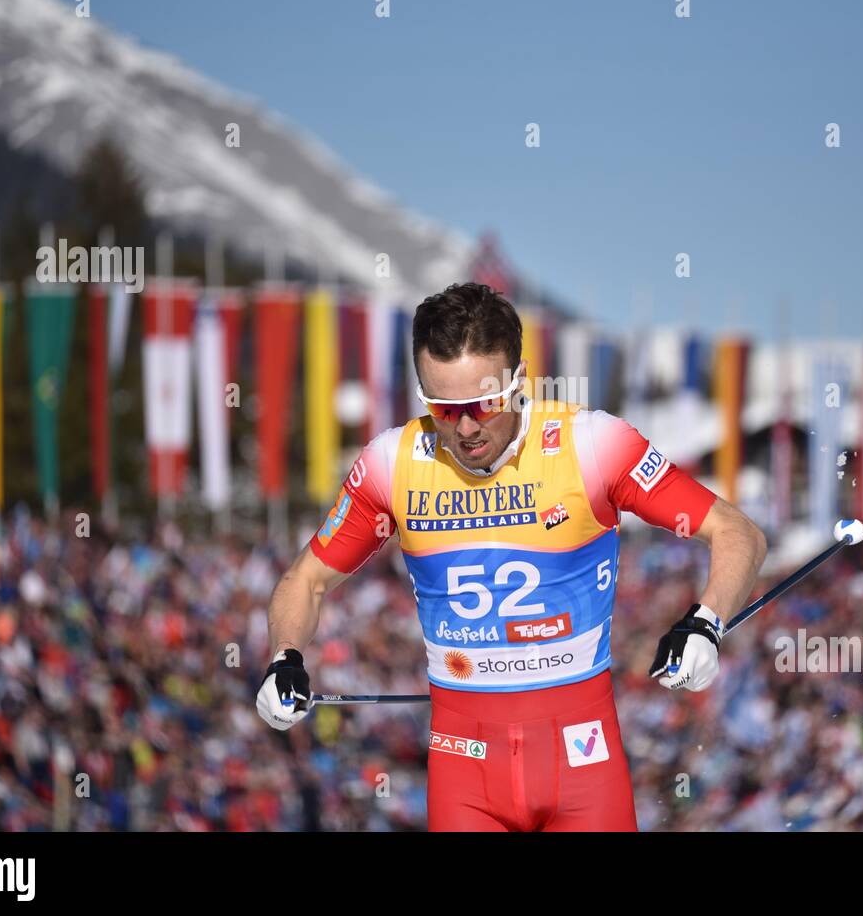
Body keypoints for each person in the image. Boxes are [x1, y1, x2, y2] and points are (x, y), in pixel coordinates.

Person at [257, 282, 767, 830]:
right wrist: (284, 657)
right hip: (465, 771)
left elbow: (738, 532)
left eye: (484, 403)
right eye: (444, 409)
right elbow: (304, 580)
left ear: (519, 381)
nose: (467, 426)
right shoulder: (393, 462)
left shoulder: (590, 445)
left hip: (582, 766)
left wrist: (707, 623)